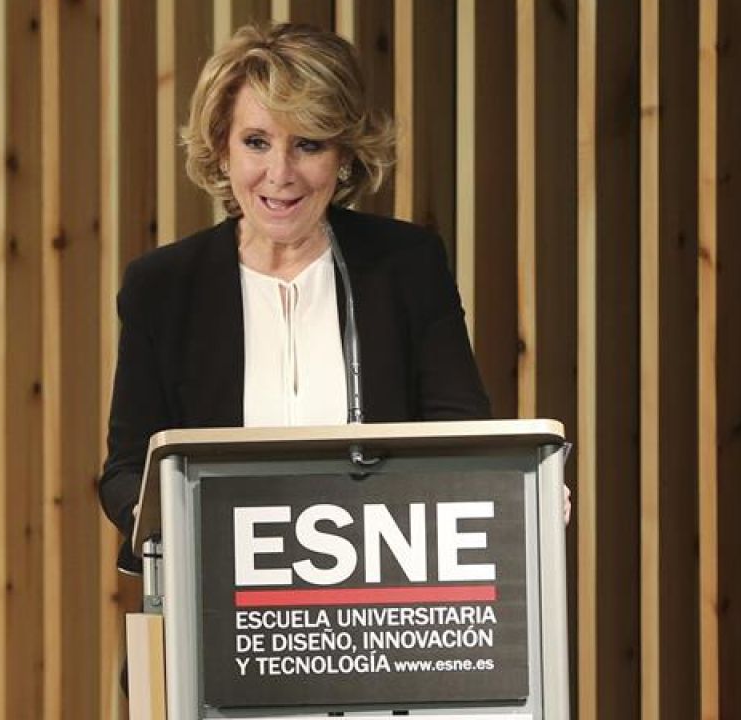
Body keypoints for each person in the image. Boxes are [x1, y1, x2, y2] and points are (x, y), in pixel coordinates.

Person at [99, 23, 496, 551]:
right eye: (256, 142)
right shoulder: (162, 286)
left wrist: (518, 490)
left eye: (308, 144)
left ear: (344, 155)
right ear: (222, 148)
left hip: (382, 578)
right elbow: (126, 471)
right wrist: (161, 518)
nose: (280, 173)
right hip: (222, 579)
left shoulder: (406, 266)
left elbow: (461, 438)